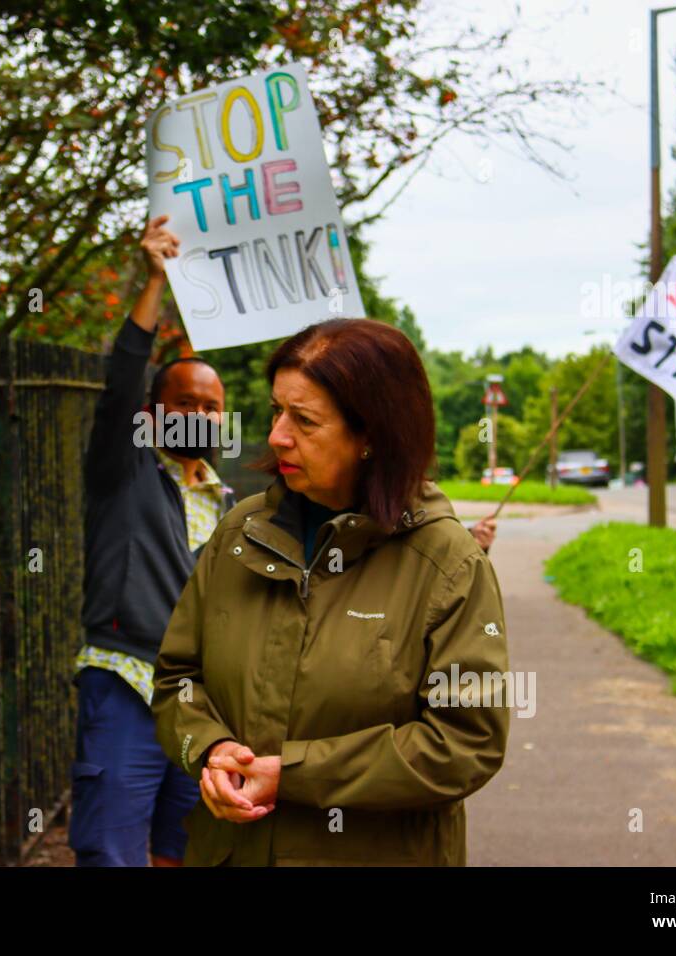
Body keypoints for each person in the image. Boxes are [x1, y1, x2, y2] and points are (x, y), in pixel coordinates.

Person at [151, 318, 510, 866]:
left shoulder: (447, 564)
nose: (276, 436)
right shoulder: (238, 534)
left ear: (371, 436)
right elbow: (177, 680)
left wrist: (291, 774)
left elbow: (465, 744)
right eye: (276, 411)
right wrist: (210, 750)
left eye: (305, 420)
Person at [69, 214, 235, 866]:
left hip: (202, 703)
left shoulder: (230, 506)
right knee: (112, 855)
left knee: (186, 850)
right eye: (183, 403)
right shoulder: (123, 469)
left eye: (209, 406)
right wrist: (155, 282)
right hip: (126, 686)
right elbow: (121, 381)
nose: (197, 415)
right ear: (152, 414)